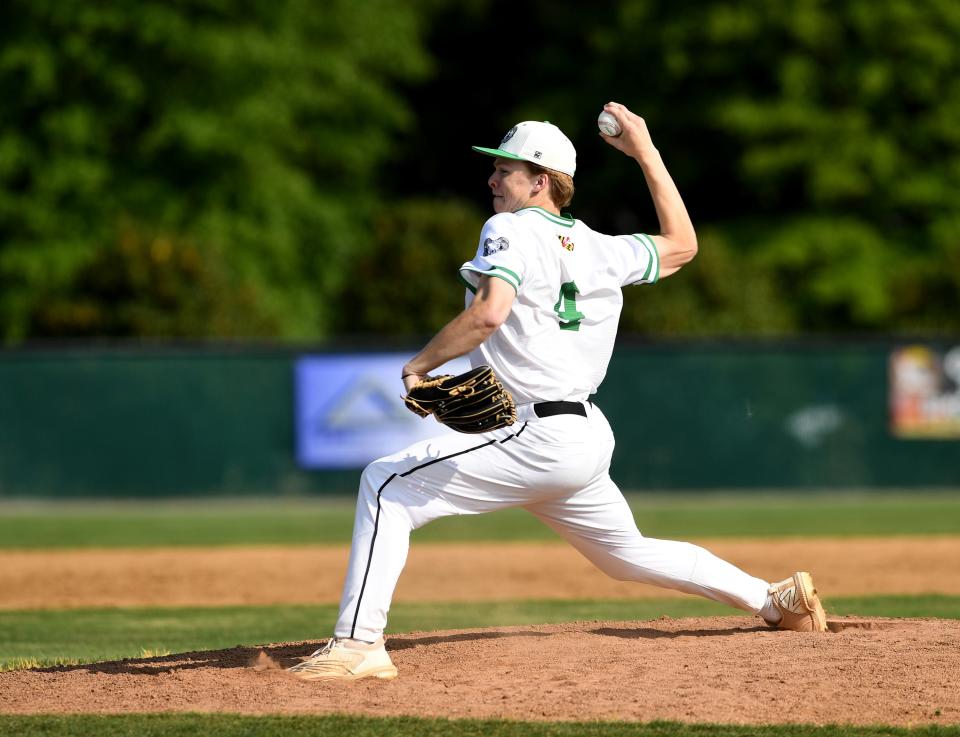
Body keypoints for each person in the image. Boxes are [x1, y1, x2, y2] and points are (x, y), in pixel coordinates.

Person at [288, 102, 827, 682]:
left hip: (536, 433)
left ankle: (359, 643)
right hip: (584, 434)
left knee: (385, 484)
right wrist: (645, 151)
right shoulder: (601, 247)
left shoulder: (509, 228)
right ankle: (773, 600)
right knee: (625, 555)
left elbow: (489, 314)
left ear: (541, 181)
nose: (492, 179)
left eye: (506, 169)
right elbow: (684, 245)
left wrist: (419, 364)